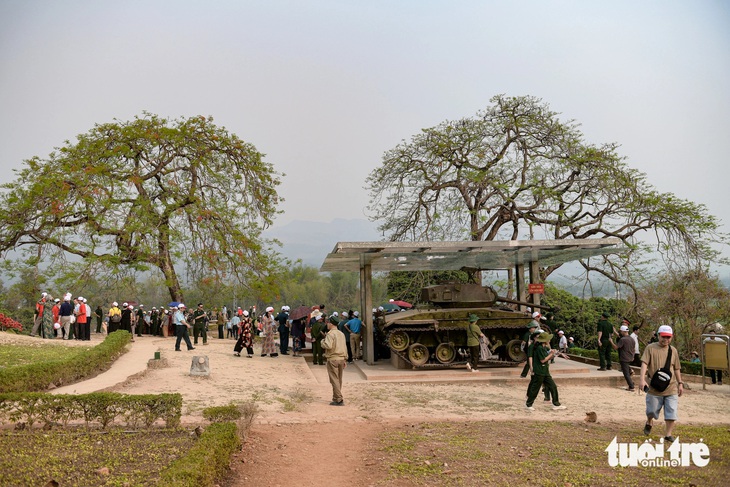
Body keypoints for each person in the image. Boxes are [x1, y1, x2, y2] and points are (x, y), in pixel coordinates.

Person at [640, 324, 683, 442]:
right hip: (654, 387)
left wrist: (680, 383)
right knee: (651, 411)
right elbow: (644, 364)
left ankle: (668, 434)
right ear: (658, 336)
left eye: (668, 337)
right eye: (663, 337)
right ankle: (649, 421)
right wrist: (642, 379)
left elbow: (677, 368)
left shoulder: (673, 351)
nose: (666, 340)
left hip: (671, 387)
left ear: (672, 337)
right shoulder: (650, 348)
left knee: (671, 412)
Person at [525, 332, 567, 411]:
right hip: (540, 371)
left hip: (545, 371)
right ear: (544, 340)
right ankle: (528, 404)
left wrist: (554, 354)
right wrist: (551, 354)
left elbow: (548, 357)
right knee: (535, 389)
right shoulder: (539, 348)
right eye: (548, 339)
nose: (549, 340)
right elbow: (543, 360)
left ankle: (556, 403)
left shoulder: (544, 347)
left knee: (553, 386)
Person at [321, 316, 348, 406]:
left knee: (334, 380)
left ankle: (339, 399)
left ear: (331, 323)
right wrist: (345, 359)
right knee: (339, 379)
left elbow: (328, 345)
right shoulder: (341, 334)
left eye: (328, 323)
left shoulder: (330, 334)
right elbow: (345, 347)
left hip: (333, 359)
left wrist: (322, 342)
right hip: (341, 358)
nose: (327, 324)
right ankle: (336, 398)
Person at [610, 324, 636, 391]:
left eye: (621, 331)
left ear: (624, 332)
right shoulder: (632, 339)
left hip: (624, 358)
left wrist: (611, 341)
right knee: (627, 369)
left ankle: (631, 386)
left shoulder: (623, 339)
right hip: (630, 357)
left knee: (626, 373)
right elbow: (634, 349)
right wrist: (633, 356)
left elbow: (616, 347)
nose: (620, 332)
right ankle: (631, 375)